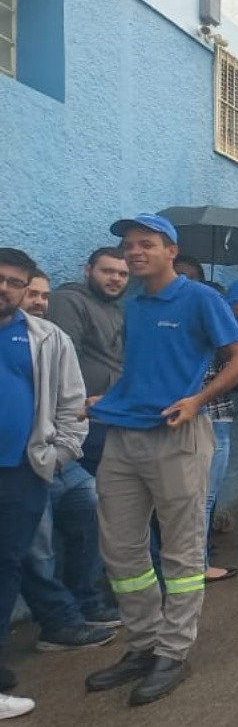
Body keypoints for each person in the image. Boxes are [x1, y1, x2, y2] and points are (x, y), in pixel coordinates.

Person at [83, 214, 238, 708]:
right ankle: (142, 644)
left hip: (177, 436)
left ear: (170, 251)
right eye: (129, 245)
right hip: (123, 435)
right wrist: (106, 398)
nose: (135, 252)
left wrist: (198, 400)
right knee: (122, 550)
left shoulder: (201, 298)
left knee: (180, 552)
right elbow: (141, 370)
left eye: (146, 244)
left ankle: (173, 654)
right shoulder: (133, 304)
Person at [0, 247, 89, 719]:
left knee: (7, 566)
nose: (6, 288)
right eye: (1, 278)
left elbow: (72, 406)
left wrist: (56, 458)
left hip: (21, 472)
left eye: (16, 282)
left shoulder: (47, 338)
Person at [15, 266, 115, 652]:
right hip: (18, 466)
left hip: (57, 459)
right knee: (37, 544)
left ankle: (84, 600)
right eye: (32, 294)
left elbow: (72, 400)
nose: (39, 301)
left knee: (91, 506)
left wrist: (63, 452)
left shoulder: (51, 339)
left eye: (44, 295)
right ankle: (57, 623)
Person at [173, 256, 238, 583]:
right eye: (181, 277)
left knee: (207, 494)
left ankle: (199, 556)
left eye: (193, 278)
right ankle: (195, 564)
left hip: (219, 416)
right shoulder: (173, 324)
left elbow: (237, 362)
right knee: (197, 496)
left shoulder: (215, 319)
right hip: (190, 418)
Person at [46, 246, 129, 473]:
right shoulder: (68, 301)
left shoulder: (118, 311)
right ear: (88, 270)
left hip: (112, 416)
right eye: (108, 271)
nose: (116, 279)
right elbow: (63, 362)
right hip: (82, 418)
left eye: (123, 274)